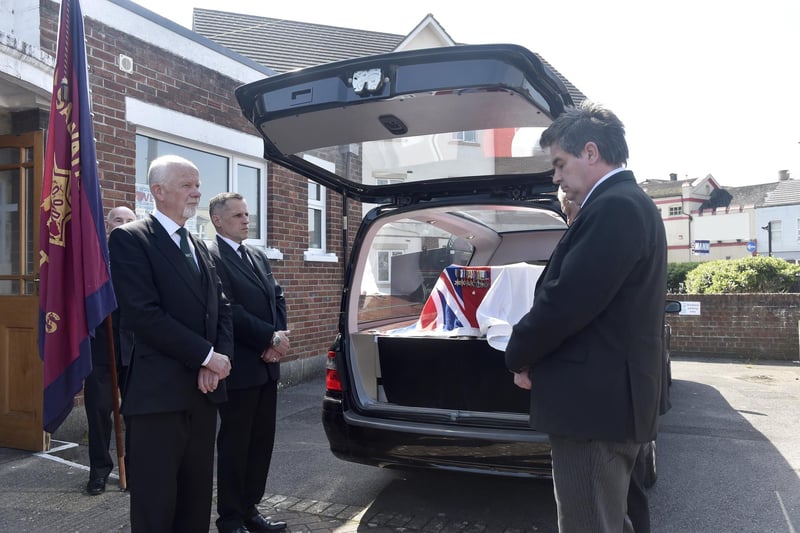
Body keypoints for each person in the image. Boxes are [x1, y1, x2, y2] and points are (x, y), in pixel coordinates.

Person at [504, 101, 667, 533]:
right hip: (610, 406)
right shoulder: (627, 204)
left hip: (595, 414)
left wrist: (517, 353)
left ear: (591, 153)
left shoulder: (615, 207)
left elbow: (567, 302)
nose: (555, 176)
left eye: (559, 163)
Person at [108, 155, 233, 533]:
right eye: (186, 185)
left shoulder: (199, 244)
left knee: (195, 504)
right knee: (155, 505)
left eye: (197, 184)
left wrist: (217, 360)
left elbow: (222, 308)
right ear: (158, 191)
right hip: (157, 400)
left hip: (202, 397)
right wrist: (206, 356)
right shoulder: (130, 239)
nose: (196, 192)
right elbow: (143, 315)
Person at [208, 192, 290, 533]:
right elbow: (228, 311)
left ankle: (250, 510)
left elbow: (278, 295)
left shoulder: (256, 255)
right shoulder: (211, 257)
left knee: (261, 444)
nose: (246, 220)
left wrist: (279, 337)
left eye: (247, 214)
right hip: (240, 369)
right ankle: (229, 518)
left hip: (267, 367)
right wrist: (267, 339)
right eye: (239, 215)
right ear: (218, 220)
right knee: (235, 446)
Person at [84, 206, 136, 495]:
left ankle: (132, 468)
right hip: (100, 347)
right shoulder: (94, 258)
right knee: (99, 411)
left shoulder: (141, 256)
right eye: (118, 220)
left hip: (134, 347)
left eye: (130, 221)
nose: (123, 225)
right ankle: (99, 471)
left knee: (136, 412)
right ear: (107, 225)